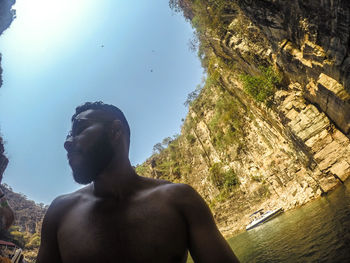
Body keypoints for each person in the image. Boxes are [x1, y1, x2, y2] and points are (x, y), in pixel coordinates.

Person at [37, 102, 240, 263]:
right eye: (69, 135)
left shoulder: (180, 200)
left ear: (115, 132)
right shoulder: (60, 213)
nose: (67, 142)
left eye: (80, 128)